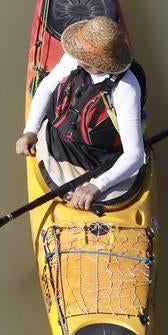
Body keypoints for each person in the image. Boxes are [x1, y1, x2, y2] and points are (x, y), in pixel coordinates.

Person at [16, 16, 146, 210]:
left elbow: (135, 155)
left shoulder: (126, 88)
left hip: (98, 160)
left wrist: (96, 186)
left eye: (83, 55)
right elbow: (46, 87)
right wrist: (31, 130)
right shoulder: (74, 58)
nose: (74, 55)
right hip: (56, 141)